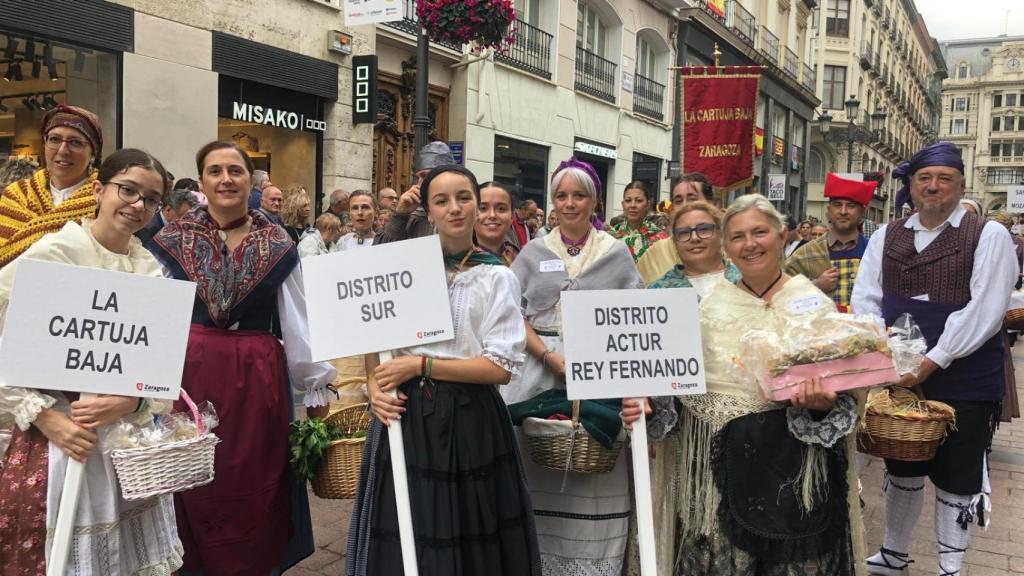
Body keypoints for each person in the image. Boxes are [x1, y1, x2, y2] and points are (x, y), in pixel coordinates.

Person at [624, 194, 863, 576]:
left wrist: (821, 405)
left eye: (759, 232)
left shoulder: (812, 302)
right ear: (726, 246)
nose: (749, 244)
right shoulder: (708, 307)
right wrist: (646, 403)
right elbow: (674, 384)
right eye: (737, 237)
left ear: (782, 236)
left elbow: (843, 397)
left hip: (794, 473)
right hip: (718, 472)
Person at [149, 141, 335, 575]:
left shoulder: (277, 243)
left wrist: (314, 384)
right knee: (190, 478)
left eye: (235, 170)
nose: (226, 179)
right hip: (189, 378)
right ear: (202, 182)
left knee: (254, 478)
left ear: (251, 180)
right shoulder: (171, 241)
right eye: (215, 171)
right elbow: (154, 315)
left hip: (257, 380)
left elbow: (296, 318)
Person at [347, 164, 540, 576]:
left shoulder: (497, 276)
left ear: (476, 205)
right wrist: (372, 385)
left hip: (470, 418)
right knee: (406, 524)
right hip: (406, 414)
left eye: (463, 198)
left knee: (468, 526)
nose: (454, 208)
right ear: (428, 212)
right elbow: (374, 335)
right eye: (441, 200)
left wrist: (422, 364)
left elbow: (500, 368)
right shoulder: (406, 270)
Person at [0, 148, 183, 574]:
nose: (138, 205)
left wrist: (129, 402)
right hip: (56, 440)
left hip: (123, 450)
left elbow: (161, 380)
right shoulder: (53, 253)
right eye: (128, 190)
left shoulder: (149, 271)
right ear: (99, 190)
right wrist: (48, 420)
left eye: (151, 199)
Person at [851, 142, 1017, 576]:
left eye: (944, 179)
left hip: (964, 375)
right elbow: (866, 297)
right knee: (902, 461)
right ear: (911, 185)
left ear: (961, 185)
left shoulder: (988, 234)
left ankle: (950, 566)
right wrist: (880, 349)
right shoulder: (888, 234)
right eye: (924, 178)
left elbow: (985, 308)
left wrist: (933, 360)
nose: (933, 187)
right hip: (899, 370)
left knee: (957, 474)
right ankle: (893, 552)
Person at [502, 157, 643, 574]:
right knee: (535, 455)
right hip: (538, 366)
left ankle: (591, 561)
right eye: (561, 195)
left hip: (600, 368)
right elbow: (513, 316)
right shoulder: (532, 251)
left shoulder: (616, 254)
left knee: (595, 461)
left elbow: (636, 317)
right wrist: (548, 356)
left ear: (594, 201)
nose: (569, 203)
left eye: (578, 195)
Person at [0, 105, 103, 269]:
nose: (63, 150)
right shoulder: (16, 194)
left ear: (93, 153)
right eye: (55, 139)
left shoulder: (106, 200)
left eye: (75, 142)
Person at [786, 173, 877, 312]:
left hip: (868, 330)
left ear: (862, 213)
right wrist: (816, 285)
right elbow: (784, 295)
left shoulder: (875, 251)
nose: (843, 211)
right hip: (819, 331)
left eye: (851, 206)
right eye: (837, 205)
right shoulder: (805, 254)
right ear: (828, 211)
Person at [635, 172, 715, 283]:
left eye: (692, 199)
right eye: (678, 201)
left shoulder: (730, 249)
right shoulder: (656, 254)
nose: (685, 206)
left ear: (710, 203)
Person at [649, 201, 740, 293]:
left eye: (704, 229)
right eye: (684, 232)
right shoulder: (657, 292)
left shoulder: (748, 280)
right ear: (674, 242)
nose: (694, 238)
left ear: (721, 234)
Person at [375, 141, 455, 244]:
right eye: (419, 177)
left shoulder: (461, 211)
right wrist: (400, 215)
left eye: (426, 176)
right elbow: (381, 252)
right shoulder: (412, 218)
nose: (420, 183)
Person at [609, 180, 669, 262]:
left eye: (639, 201)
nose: (633, 205)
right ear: (623, 205)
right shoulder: (611, 238)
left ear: (648, 205)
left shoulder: (661, 239)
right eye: (628, 200)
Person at [475, 181, 520, 265]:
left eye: (501, 209)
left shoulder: (520, 260)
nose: (492, 215)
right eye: (483, 208)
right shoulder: (455, 264)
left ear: (512, 216)